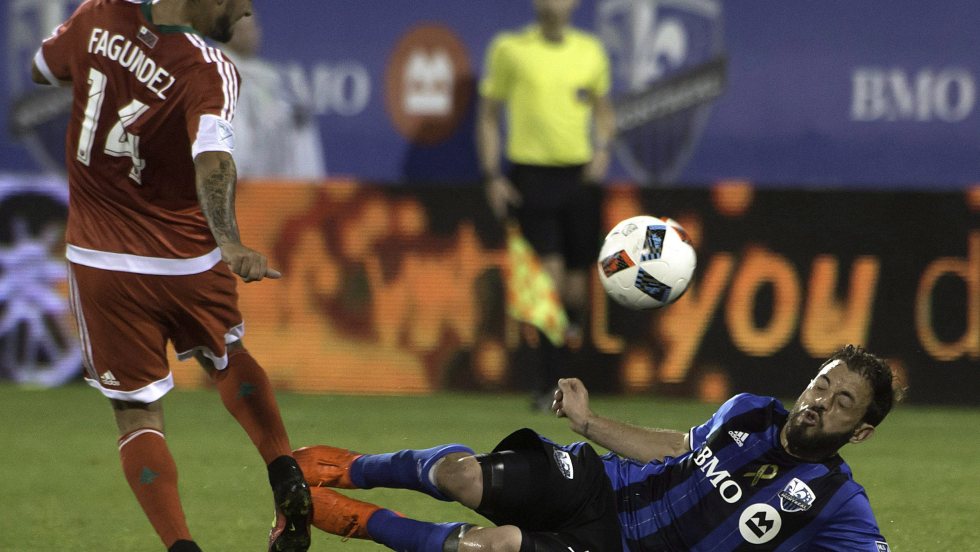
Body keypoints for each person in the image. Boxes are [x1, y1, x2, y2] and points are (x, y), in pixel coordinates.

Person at [31, 1, 312, 550]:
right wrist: (229, 242)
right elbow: (213, 157)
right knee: (225, 354)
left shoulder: (97, 16)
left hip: (102, 265)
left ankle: (181, 546)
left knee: (136, 415)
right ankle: (284, 471)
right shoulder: (210, 68)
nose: (246, 11)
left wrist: (111, 68)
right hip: (187, 259)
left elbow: (44, 68)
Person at [294, 344, 896, 551]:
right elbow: (676, 447)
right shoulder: (751, 410)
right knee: (460, 475)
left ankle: (363, 523)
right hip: (604, 484)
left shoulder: (837, 501)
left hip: (615, 549)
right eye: (823, 383)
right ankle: (351, 468)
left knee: (495, 546)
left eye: (844, 401)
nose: (822, 400)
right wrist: (587, 423)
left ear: (861, 431)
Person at [476, 0, 616, 410]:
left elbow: (604, 112)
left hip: (578, 180)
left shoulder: (590, 51)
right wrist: (492, 175)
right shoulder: (510, 49)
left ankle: (570, 372)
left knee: (575, 292)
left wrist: (602, 150)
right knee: (547, 285)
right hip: (532, 178)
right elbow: (488, 115)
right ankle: (548, 384)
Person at [222, 11, 327, 180]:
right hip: (239, 179)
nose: (253, 35)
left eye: (254, 28)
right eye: (244, 30)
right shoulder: (218, 75)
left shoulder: (269, 75)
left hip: (273, 179)